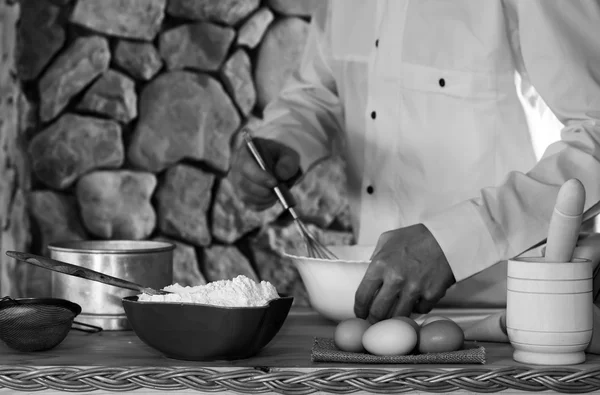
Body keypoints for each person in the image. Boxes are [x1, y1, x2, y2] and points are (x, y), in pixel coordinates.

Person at [230, 0, 600, 323]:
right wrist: (283, 140)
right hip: (373, 309)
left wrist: (453, 243)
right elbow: (318, 92)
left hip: (510, 313)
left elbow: (595, 130)